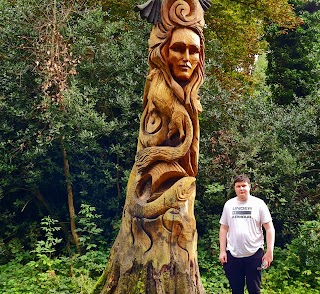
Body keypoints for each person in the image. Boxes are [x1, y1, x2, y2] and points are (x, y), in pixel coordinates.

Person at [219, 174, 275, 294]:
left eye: (244, 185)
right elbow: (223, 228)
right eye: (238, 186)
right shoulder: (229, 205)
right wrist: (222, 251)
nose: (241, 189)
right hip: (233, 254)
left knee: (254, 290)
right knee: (236, 290)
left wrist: (270, 251)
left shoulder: (259, 204)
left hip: (254, 253)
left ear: (249, 187)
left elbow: (269, 228)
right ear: (235, 188)